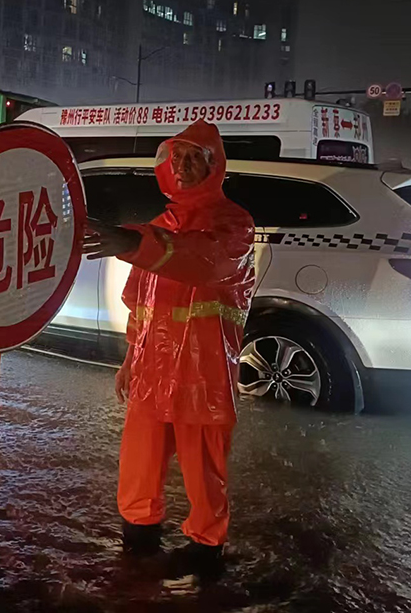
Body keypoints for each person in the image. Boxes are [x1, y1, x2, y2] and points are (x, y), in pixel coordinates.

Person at [84, 120, 255, 568]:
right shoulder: (161, 224)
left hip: (203, 369)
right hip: (152, 368)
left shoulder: (233, 223)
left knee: (203, 470)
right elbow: (139, 301)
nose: (180, 165)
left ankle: (205, 553)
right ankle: (138, 547)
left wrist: (131, 242)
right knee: (139, 463)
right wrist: (128, 360)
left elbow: (204, 260)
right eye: (175, 157)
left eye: (192, 157)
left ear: (213, 166)